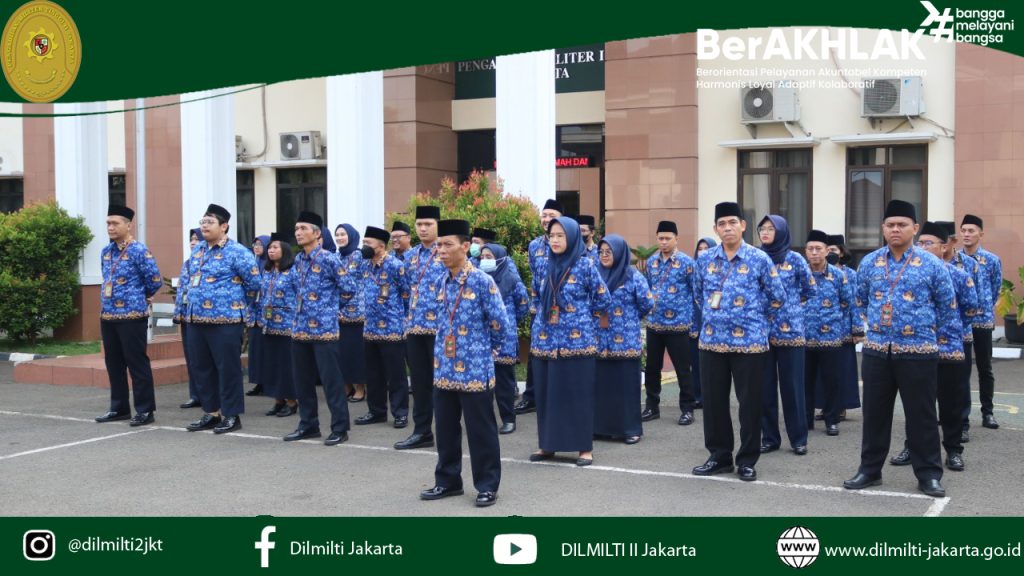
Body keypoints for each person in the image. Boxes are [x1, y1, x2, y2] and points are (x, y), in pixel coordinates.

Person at [843, 201, 962, 498]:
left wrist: (932, 336)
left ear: (915, 228)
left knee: (921, 416)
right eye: (890, 225)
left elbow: (947, 307)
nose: (895, 229)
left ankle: (929, 474)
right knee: (874, 415)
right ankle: (870, 470)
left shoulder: (932, 264)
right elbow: (860, 300)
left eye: (902, 224)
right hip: (877, 351)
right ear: (883, 229)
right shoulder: (870, 262)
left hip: (918, 352)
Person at [692, 202, 786, 482]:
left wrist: (755, 319)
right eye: (722, 224)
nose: (728, 228)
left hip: (750, 344)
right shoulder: (705, 259)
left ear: (743, 225)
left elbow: (777, 297)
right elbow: (698, 294)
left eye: (733, 222)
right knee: (714, 404)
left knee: (750, 404)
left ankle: (747, 460)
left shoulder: (759, 258)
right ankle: (719, 456)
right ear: (715, 229)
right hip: (712, 342)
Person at [419, 220, 509, 507]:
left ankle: (487, 485)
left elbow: (500, 324)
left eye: (447, 245)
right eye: (438, 245)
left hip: (474, 369)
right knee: (445, 428)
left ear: (466, 246)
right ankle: (448, 481)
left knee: (481, 430)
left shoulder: (482, 281)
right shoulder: (441, 280)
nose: (441, 250)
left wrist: (484, 353)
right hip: (444, 368)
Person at [889, 222, 978, 472]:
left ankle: (953, 450)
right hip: (916, 349)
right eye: (920, 243)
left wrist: (949, 328)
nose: (923, 247)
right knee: (917, 404)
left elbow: (970, 308)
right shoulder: (909, 273)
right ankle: (912, 447)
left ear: (944, 247)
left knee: (951, 403)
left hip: (948, 349)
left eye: (929, 243)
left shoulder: (959, 275)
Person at [528, 216, 611, 466]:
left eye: (560, 236)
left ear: (573, 237)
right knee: (547, 397)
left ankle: (584, 448)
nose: (554, 240)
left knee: (577, 396)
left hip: (577, 344)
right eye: (551, 236)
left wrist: (583, 320)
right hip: (545, 342)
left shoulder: (585, 265)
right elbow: (535, 295)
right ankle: (547, 445)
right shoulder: (542, 264)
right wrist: (540, 317)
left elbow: (603, 299)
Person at [182, 204, 261, 435]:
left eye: (210, 222)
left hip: (226, 321)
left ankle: (231, 415)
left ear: (224, 226)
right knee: (202, 368)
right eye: (202, 222)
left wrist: (234, 305)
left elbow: (254, 284)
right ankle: (212, 412)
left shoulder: (238, 252)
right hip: (197, 319)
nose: (204, 226)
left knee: (228, 369)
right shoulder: (198, 250)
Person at [282, 212, 357, 446]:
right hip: (300, 328)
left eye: (303, 228)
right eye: (296, 228)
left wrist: (331, 308)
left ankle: (340, 428)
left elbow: (349, 288)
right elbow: (294, 288)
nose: (298, 233)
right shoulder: (298, 260)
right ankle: (308, 425)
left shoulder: (329, 259)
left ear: (316, 234)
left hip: (324, 330)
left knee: (331, 381)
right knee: (302, 381)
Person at [94, 205, 163, 427]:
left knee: (136, 363)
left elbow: (154, 280)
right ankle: (119, 408)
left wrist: (139, 297)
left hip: (132, 316)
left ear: (128, 225)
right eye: (108, 223)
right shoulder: (106, 252)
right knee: (113, 363)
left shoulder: (139, 250)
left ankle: (145, 410)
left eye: (115, 223)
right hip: (109, 315)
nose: (110, 227)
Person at [757, 215, 815, 456]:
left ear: (781, 232)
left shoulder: (795, 259)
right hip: (761, 332)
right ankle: (770, 438)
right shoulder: (755, 258)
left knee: (792, 388)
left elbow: (809, 289)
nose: (765, 232)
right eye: (762, 228)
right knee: (765, 389)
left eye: (771, 229)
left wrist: (791, 306)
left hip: (790, 332)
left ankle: (798, 439)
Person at [594, 234, 654, 444]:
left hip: (626, 341)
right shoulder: (595, 274)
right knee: (601, 388)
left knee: (626, 388)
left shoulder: (633, 276)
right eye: (601, 252)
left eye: (608, 252)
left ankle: (630, 430)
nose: (604, 255)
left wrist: (628, 319)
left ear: (619, 253)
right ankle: (600, 428)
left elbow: (647, 303)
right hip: (599, 342)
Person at [396, 206, 446, 450]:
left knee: (444, 383)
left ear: (438, 225)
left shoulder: (447, 251)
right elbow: (405, 289)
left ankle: (448, 430)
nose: (423, 229)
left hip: (441, 329)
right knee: (419, 383)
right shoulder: (410, 256)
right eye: (419, 225)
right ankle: (422, 431)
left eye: (428, 224)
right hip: (415, 328)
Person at [642, 220, 698, 426]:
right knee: (652, 368)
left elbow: (696, 293)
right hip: (654, 324)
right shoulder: (651, 262)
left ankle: (687, 409)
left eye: (667, 238)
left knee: (682, 370)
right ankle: (652, 407)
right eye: (660, 238)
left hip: (679, 325)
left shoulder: (687, 263)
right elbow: (647, 289)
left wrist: (693, 322)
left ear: (676, 239)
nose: (664, 242)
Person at [355, 226, 411, 428]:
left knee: (395, 375)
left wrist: (405, 321)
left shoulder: (395, 265)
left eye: (368, 243)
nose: (364, 247)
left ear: (380, 245)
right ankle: (376, 411)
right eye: (364, 243)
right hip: (370, 328)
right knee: (373, 374)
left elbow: (406, 294)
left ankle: (400, 413)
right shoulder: (365, 265)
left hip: (392, 328)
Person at [802, 230, 853, 440]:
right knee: (804, 381)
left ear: (826, 251)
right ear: (806, 252)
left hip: (831, 337)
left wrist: (837, 324)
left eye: (818, 249)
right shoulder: (800, 273)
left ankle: (832, 419)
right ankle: (805, 419)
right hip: (803, 338)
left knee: (833, 380)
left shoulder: (838, 276)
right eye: (810, 249)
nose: (814, 253)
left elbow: (846, 303)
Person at [515, 198, 563, 415]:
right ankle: (531, 396)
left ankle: (557, 397)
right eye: (544, 215)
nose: (547, 219)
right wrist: (535, 305)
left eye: (552, 215)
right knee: (536, 353)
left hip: (564, 310)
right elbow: (535, 277)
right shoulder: (534, 245)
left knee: (561, 353)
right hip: (540, 309)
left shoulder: (569, 243)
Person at [813, 234, 863, 422]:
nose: (830, 253)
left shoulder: (850, 275)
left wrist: (857, 329)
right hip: (820, 331)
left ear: (841, 252)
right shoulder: (815, 272)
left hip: (843, 329)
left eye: (834, 250)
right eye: (828, 249)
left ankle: (840, 406)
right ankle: (824, 406)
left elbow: (854, 303)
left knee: (842, 370)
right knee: (821, 372)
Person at [480, 243, 529, 434]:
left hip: (504, 338)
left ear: (500, 258)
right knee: (482, 384)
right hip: (482, 336)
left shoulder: (512, 279)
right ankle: (485, 421)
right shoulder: (478, 278)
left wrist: (508, 320)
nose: (485, 260)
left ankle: (508, 419)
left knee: (504, 382)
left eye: (489, 257)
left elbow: (523, 305)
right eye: (482, 257)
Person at [959, 214, 1002, 431]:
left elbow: (995, 289)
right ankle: (959, 415)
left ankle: (988, 412)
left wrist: (983, 308)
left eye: (971, 231)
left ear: (981, 234)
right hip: (961, 322)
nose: (966, 234)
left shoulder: (991, 260)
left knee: (985, 368)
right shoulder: (956, 259)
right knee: (960, 370)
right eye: (963, 230)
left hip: (982, 320)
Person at [256, 233, 298, 418]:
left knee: (287, 365)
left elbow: (301, 295)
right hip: (269, 324)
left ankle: (292, 401)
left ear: (285, 250)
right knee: (272, 364)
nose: (271, 251)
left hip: (287, 325)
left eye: (275, 247)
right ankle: (278, 400)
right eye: (270, 248)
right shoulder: (268, 271)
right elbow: (262, 295)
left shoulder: (293, 271)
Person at [335, 224, 367, 403]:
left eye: (343, 234)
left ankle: (361, 388)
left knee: (357, 353)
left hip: (358, 312)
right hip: (339, 312)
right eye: (337, 234)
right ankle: (347, 386)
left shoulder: (360, 255)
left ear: (352, 236)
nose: (340, 237)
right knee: (342, 353)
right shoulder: (335, 257)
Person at [175, 228, 203, 409]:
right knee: (191, 357)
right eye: (191, 239)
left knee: (204, 359)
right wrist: (178, 313)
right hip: (187, 316)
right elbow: (181, 290)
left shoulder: (208, 262)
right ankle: (195, 395)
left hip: (203, 317)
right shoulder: (187, 263)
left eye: (196, 239)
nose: (193, 242)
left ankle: (210, 395)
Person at [689, 237, 717, 409]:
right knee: (693, 362)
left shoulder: (717, 269)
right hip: (691, 320)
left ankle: (707, 396)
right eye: (700, 248)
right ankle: (695, 395)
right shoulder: (691, 268)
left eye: (706, 248)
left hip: (709, 323)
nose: (703, 251)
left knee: (707, 365)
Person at [245, 234, 271, 397]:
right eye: (255, 244)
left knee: (266, 350)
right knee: (255, 350)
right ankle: (258, 382)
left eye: (260, 245)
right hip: (253, 314)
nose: (256, 247)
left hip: (266, 314)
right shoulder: (252, 263)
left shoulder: (271, 264)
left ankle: (269, 383)